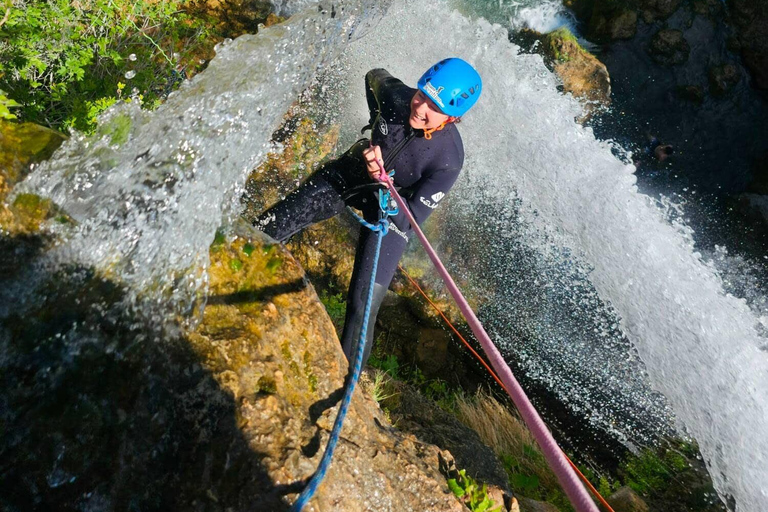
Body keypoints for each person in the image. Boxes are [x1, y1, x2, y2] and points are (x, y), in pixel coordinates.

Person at [253, 58, 482, 368]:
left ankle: (347, 382)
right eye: (422, 95)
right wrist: (371, 137)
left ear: (452, 117)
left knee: (364, 306)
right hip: (351, 172)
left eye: (433, 106)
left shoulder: (448, 160)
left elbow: (410, 220)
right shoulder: (396, 94)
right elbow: (372, 76)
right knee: (267, 228)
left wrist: (387, 191)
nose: (420, 107)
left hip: (390, 215)